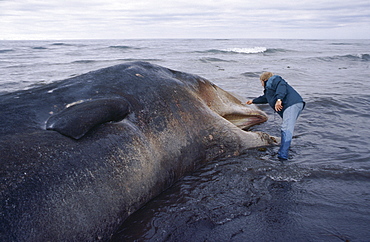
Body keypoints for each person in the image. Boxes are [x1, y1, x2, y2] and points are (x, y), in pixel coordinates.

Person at [246, 72, 305, 160]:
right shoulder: (270, 89)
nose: (261, 84)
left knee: (286, 128)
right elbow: (265, 98)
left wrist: (279, 99)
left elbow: (281, 86)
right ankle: (284, 149)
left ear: (264, 80)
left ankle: (283, 155)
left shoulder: (274, 80)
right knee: (287, 127)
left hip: (292, 104)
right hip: (295, 104)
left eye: (261, 82)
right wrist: (253, 101)